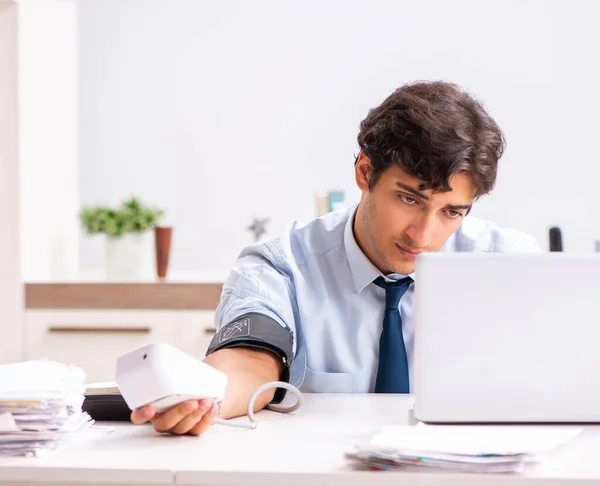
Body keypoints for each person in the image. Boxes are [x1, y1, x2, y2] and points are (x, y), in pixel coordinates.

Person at [131, 80, 541, 435]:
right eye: (408, 198)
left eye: (451, 212)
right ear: (365, 172)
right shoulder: (281, 267)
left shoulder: (511, 267)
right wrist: (205, 399)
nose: (424, 235)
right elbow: (251, 359)